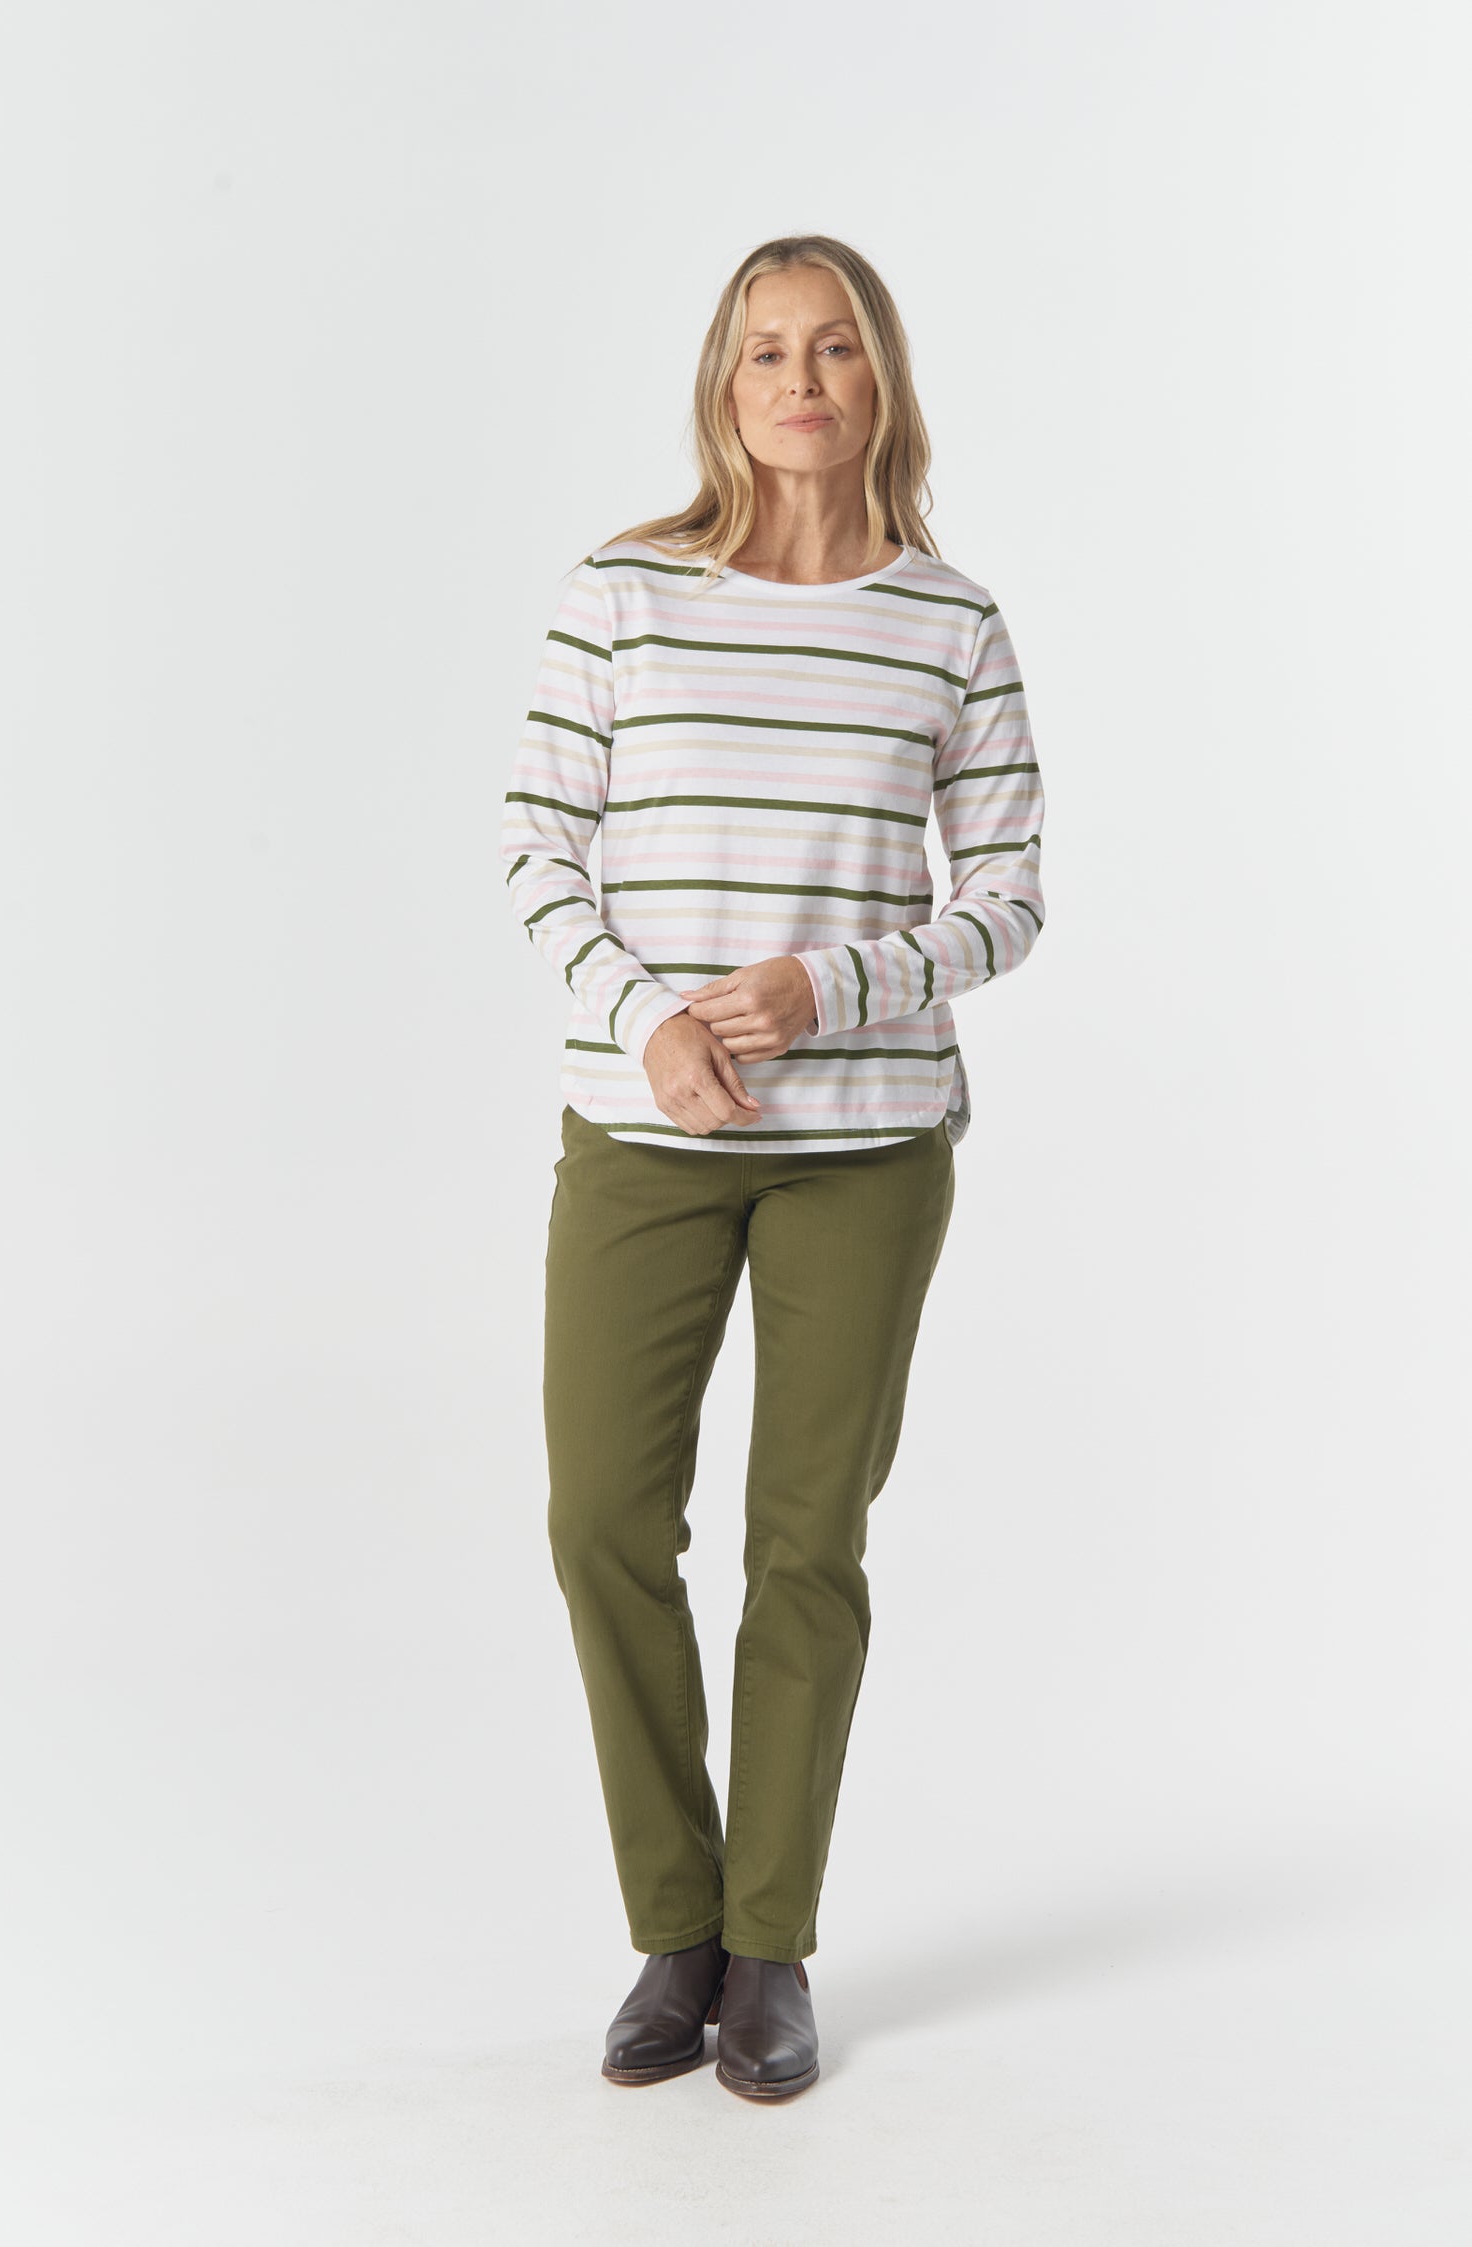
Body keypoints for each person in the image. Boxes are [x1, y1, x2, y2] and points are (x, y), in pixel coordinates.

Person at [498, 233, 1046, 2100]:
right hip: (643, 1133)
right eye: (765, 353)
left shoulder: (951, 621)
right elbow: (537, 844)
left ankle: (770, 1946)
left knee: (806, 1546)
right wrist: (649, 1019)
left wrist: (834, 984)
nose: (800, 383)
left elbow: (1009, 899)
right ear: (722, 387)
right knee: (600, 1519)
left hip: (865, 1150)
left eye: (833, 350)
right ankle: (676, 1925)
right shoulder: (623, 593)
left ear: (881, 378)